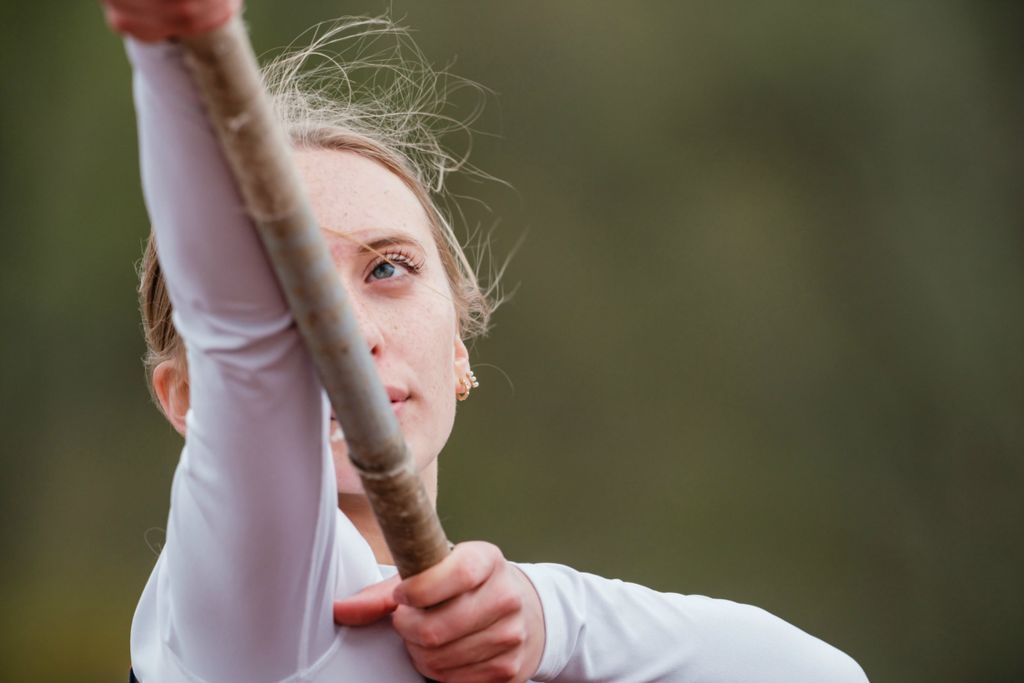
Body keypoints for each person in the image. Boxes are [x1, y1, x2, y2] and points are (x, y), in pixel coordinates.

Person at [105, 1, 870, 681]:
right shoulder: (239, 621)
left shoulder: (536, 654)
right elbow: (241, 339)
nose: (349, 336)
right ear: (187, 397)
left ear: (460, 351)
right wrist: (175, 51)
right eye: (286, 296)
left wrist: (548, 617)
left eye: (389, 269)